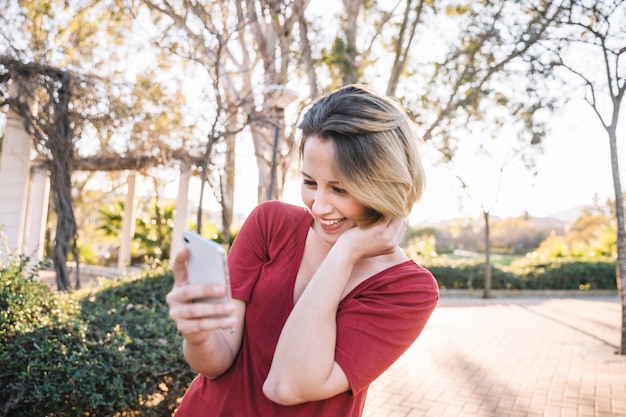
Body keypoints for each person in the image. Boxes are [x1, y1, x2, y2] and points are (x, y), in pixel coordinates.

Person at [166, 84, 439, 416]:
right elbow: (216, 363)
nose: (319, 206)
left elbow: (287, 386)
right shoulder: (270, 224)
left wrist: (345, 253)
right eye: (310, 182)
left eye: (340, 188)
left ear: (384, 183)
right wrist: (198, 334)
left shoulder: (408, 290)